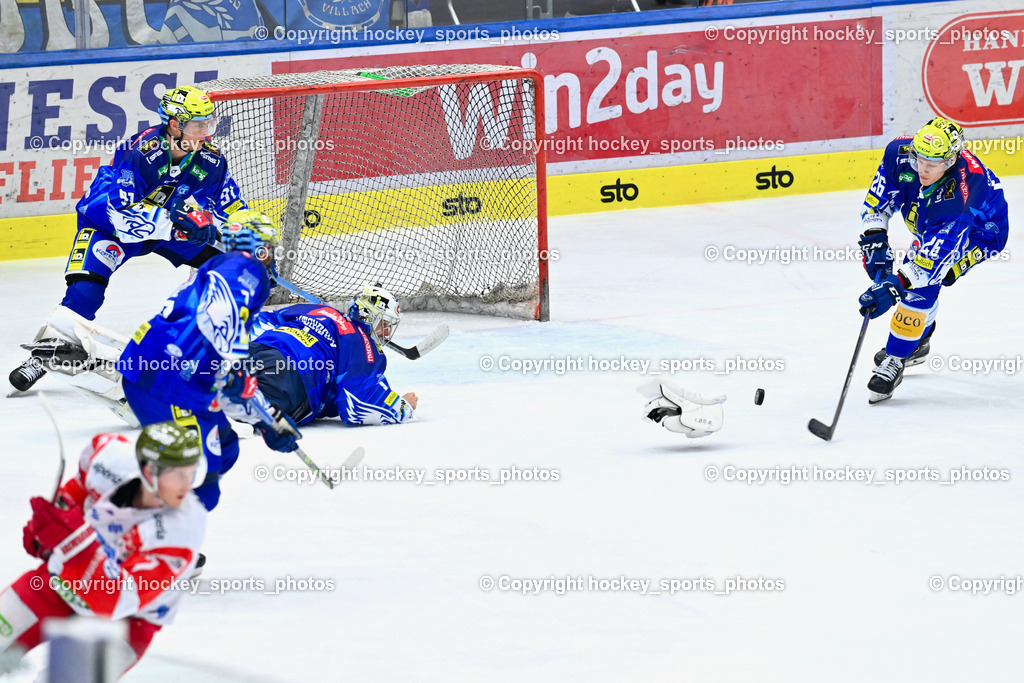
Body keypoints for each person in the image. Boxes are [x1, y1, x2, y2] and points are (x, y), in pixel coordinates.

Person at [10, 84, 247, 393]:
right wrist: (184, 224)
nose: (206, 132)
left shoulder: (212, 160)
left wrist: (248, 241)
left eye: (209, 123)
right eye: (198, 124)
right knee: (86, 291)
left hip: (169, 227)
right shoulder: (140, 151)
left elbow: (232, 206)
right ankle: (43, 355)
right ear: (175, 124)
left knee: (228, 266)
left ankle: (201, 347)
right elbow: (124, 218)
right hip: (108, 225)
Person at [119, 209, 300, 511]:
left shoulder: (219, 267)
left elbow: (227, 378)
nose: (271, 255)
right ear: (257, 247)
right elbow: (219, 316)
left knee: (226, 447)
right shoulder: (246, 268)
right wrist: (238, 369)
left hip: (168, 376)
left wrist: (268, 420)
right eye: (268, 246)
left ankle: (157, 518)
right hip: (166, 383)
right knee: (203, 482)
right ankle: (152, 543)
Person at [0, 422, 207, 677]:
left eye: (191, 473)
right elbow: (79, 487)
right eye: (178, 475)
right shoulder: (109, 460)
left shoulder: (183, 529)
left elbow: (114, 601)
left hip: (128, 622)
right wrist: (55, 521)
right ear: (148, 471)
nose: (188, 486)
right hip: (59, 583)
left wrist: (73, 541)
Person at [857, 117, 1009, 403]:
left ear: (951, 160)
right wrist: (874, 240)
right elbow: (878, 200)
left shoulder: (964, 191)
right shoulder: (899, 155)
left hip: (979, 232)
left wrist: (894, 285)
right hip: (930, 219)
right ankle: (919, 340)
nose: (923, 169)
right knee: (912, 281)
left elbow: (931, 261)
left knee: (920, 286)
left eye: (933, 163)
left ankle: (896, 357)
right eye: (919, 159)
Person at [246, 285, 417, 426]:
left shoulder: (319, 310)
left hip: (258, 349)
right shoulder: (362, 343)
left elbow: (263, 320)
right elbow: (356, 404)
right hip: (294, 376)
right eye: (384, 324)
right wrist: (401, 406)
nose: (386, 332)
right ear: (369, 317)